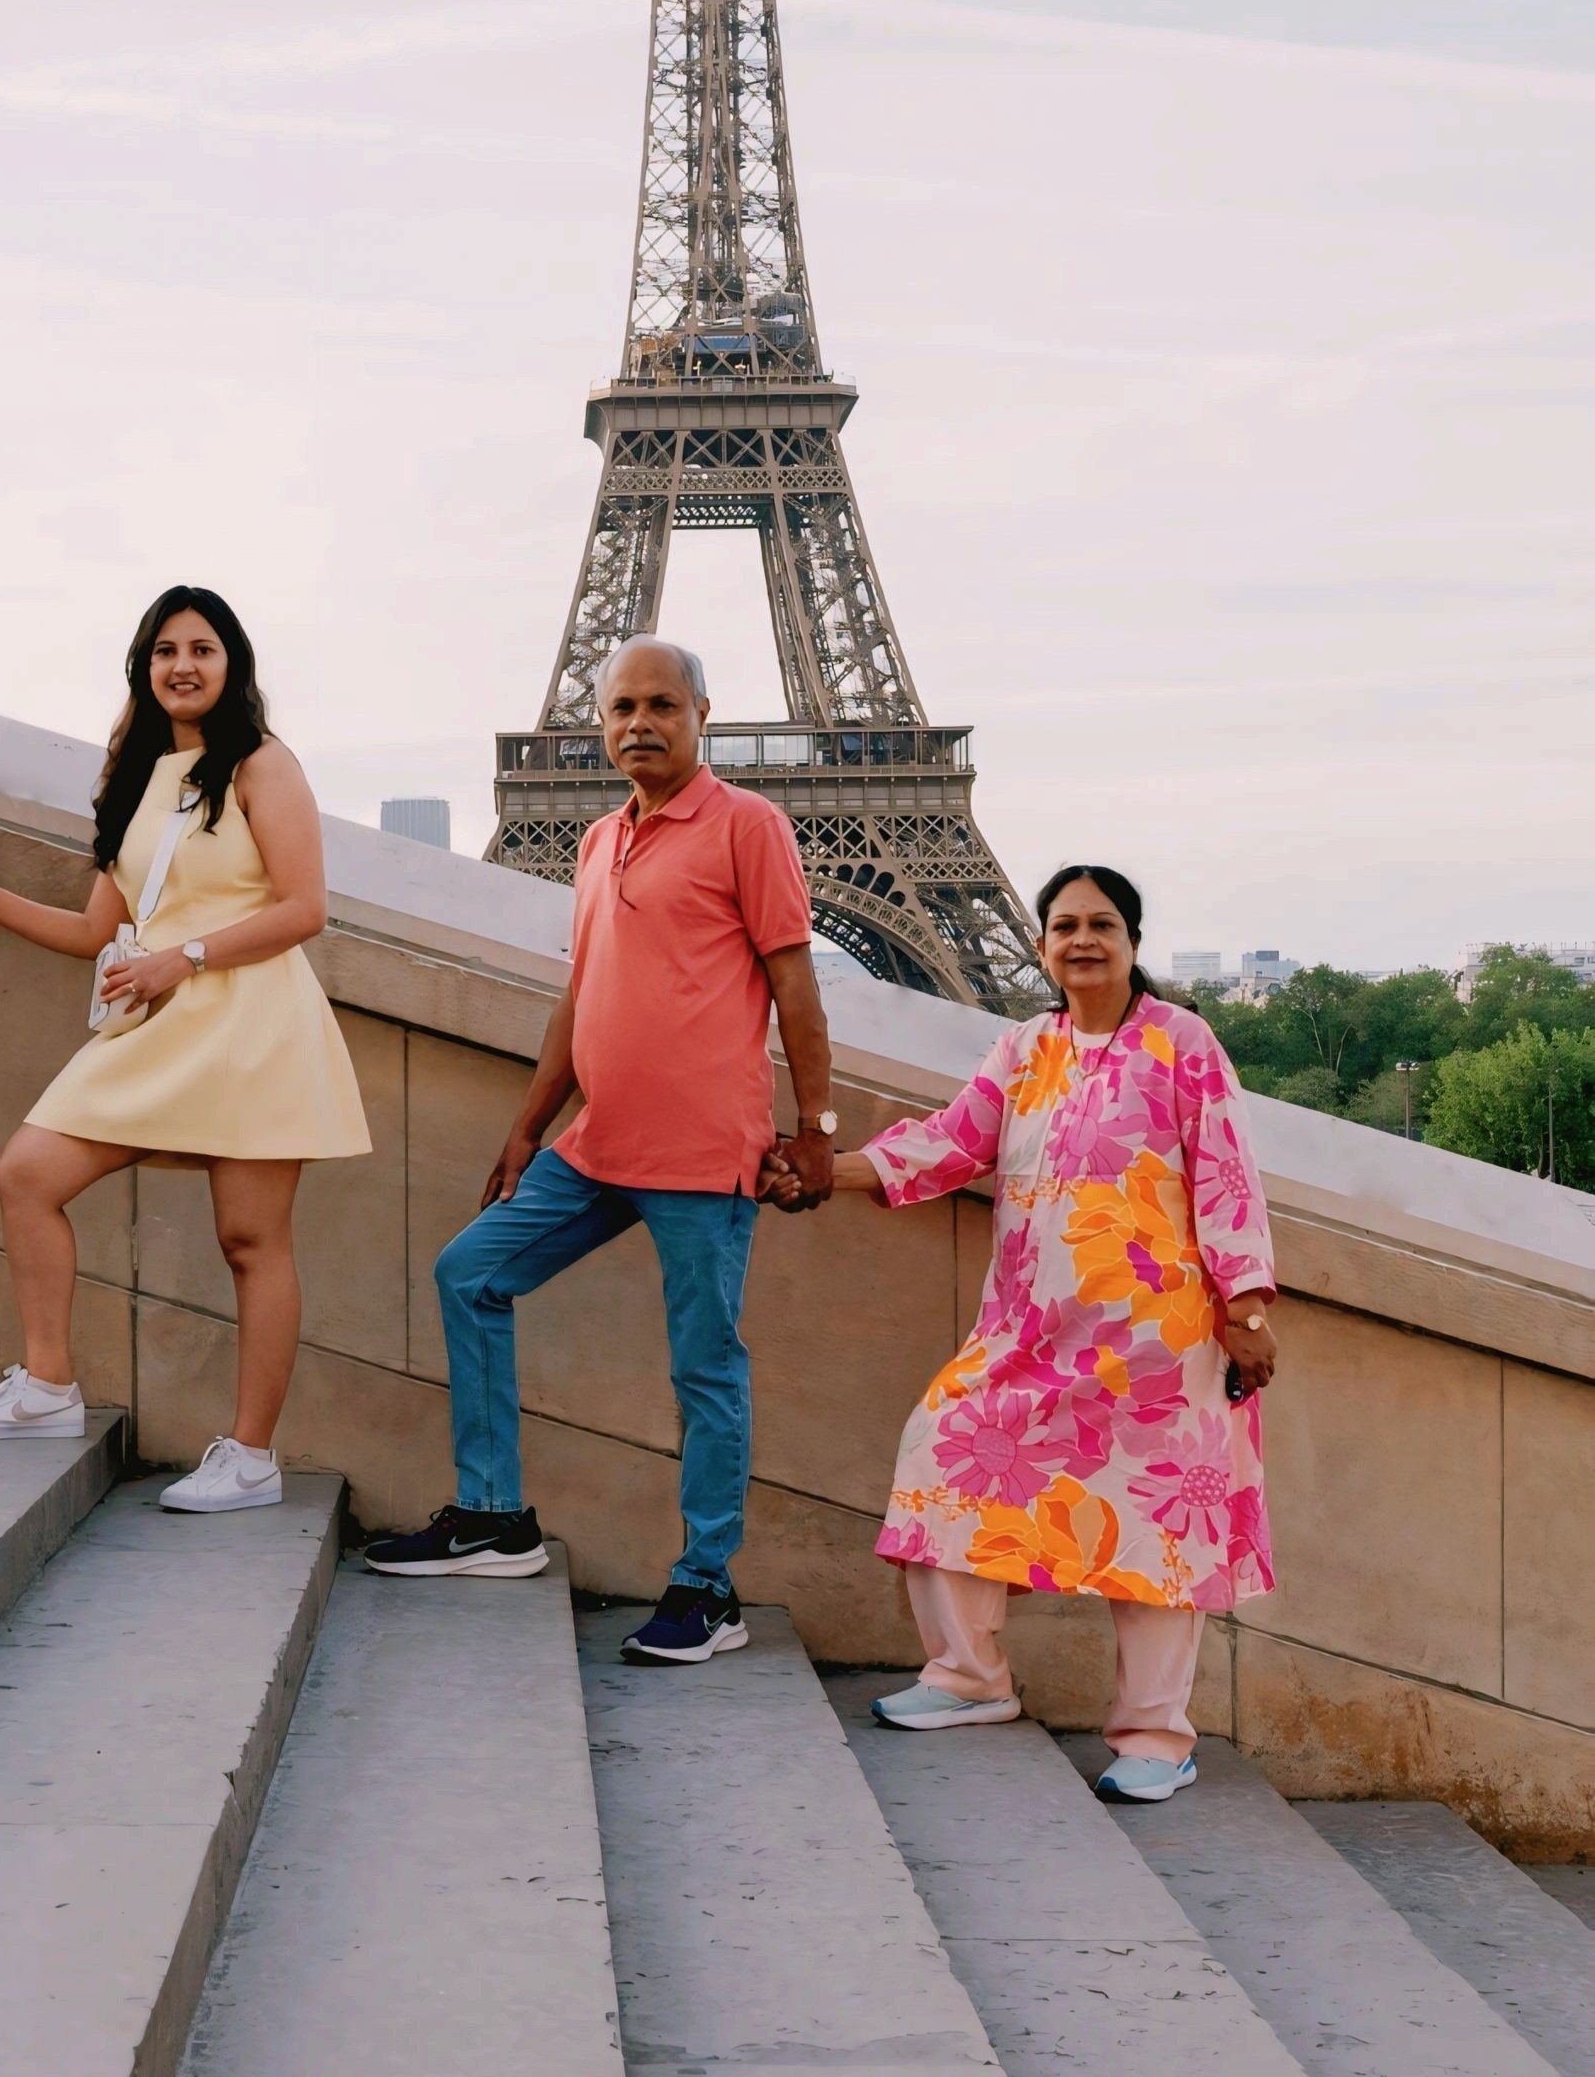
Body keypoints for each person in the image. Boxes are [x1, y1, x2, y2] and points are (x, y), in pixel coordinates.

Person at [363, 638, 834, 1662]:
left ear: (701, 713)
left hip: (705, 1158)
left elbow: (794, 984)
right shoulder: (594, 839)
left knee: (703, 1370)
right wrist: (529, 1125)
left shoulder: (747, 827)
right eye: (620, 707)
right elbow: (583, 995)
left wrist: (814, 1129)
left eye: (660, 704)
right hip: (595, 1145)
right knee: (468, 1274)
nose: (638, 724)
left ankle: (705, 1588)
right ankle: (493, 1514)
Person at [824, 862, 1278, 1803]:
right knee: (941, 1452)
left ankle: (1155, 1736)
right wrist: (826, 1170)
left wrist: (1243, 1312)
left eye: (1100, 924)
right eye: (1063, 925)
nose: (1081, 940)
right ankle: (969, 1678)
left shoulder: (1181, 1041)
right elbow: (951, 1142)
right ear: (1038, 946)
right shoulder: (1025, 1048)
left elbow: (1227, 1175)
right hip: (1028, 1335)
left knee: (1155, 1532)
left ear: (1131, 942)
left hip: (1158, 1344)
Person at [0, 585, 369, 1506]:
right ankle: (48, 1384)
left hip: (250, 1021)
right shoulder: (132, 778)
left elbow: (304, 908)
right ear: (144, 667)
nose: (182, 665)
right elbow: (101, 930)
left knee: (251, 1240)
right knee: (28, 1173)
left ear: (231, 663)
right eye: (165, 649)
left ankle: (250, 1457)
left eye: (202, 648)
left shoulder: (262, 764)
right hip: (160, 1023)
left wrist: (186, 958)